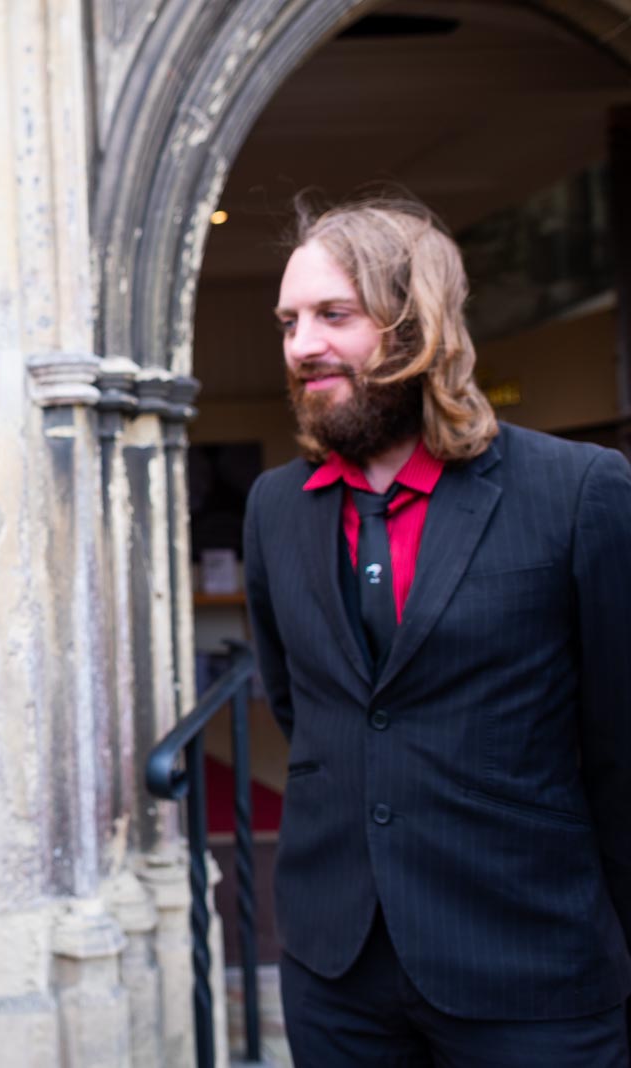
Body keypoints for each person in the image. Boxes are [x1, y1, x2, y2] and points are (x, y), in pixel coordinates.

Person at [246, 195, 631, 1065]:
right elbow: (303, 710)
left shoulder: (579, 491)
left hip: (529, 966)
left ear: (416, 323)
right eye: (289, 321)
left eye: (334, 315)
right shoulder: (274, 508)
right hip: (335, 969)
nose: (303, 345)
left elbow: (618, 746)